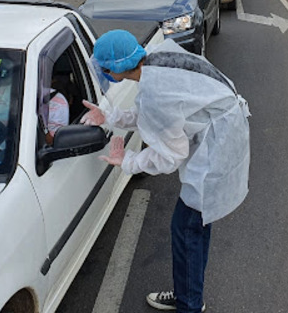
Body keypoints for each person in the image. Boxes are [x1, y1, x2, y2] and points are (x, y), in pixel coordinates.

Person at [82, 30, 250, 313]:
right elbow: (156, 113)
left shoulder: (154, 91)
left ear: (118, 67)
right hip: (221, 128)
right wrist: (111, 117)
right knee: (194, 227)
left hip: (217, 146)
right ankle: (188, 294)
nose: (105, 72)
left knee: (188, 228)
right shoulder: (157, 60)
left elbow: (172, 154)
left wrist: (128, 162)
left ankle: (189, 304)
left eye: (105, 67)